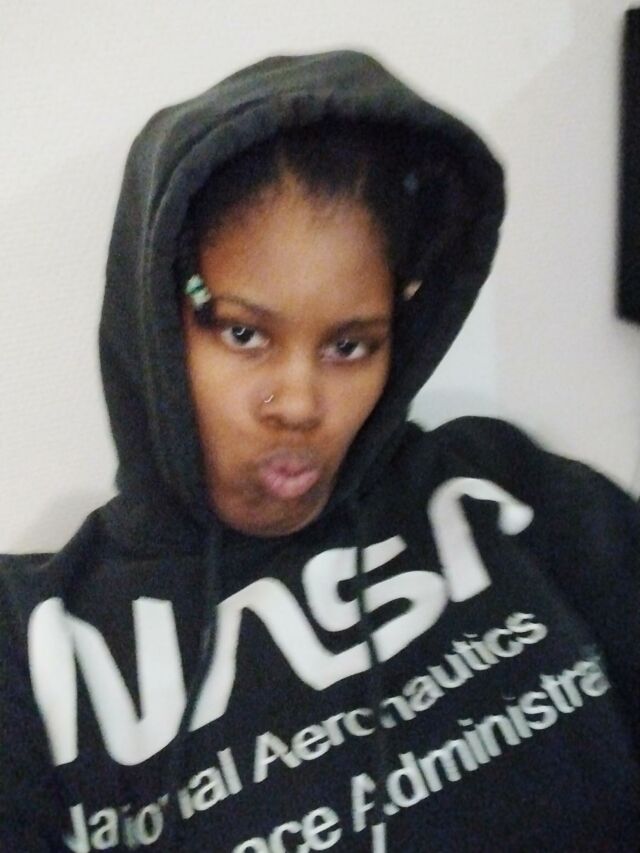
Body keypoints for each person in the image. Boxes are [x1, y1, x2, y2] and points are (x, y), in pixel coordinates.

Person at [0, 49, 638, 853]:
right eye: (244, 333)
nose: (300, 404)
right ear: (158, 317)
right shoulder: (34, 646)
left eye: (349, 346)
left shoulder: (505, 489)